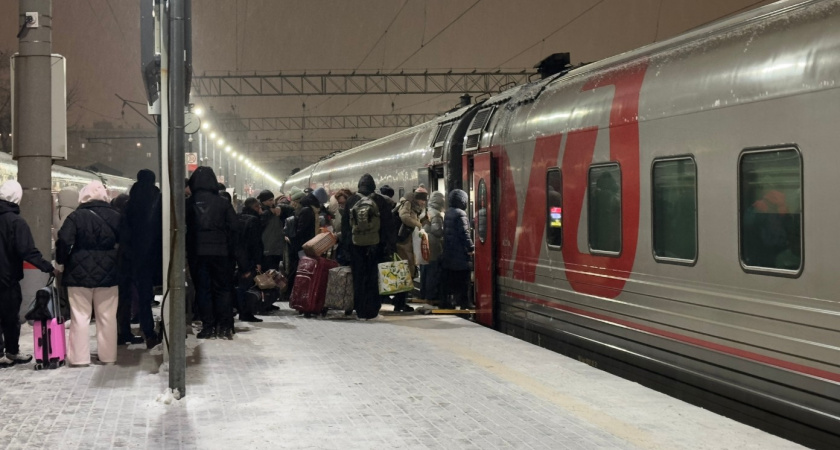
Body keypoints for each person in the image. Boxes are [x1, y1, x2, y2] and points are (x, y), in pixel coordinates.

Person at [56, 181, 121, 366]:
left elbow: (63, 241)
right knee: (107, 317)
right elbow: (126, 243)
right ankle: (108, 356)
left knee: (79, 316)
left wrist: (62, 261)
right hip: (109, 272)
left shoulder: (75, 217)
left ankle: (79, 358)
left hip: (78, 273)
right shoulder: (116, 216)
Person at [0, 180, 56, 368]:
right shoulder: (16, 221)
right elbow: (27, 250)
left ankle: (1, 354)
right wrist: (47, 266)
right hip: (7, 278)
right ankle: (11, 352)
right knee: (10, 317)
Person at [186, 166, 239, 340]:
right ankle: (224, 326)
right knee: (223, 289)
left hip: (197, 253)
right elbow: (234, 228)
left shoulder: (189, 203)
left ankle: (208, 327)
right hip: (221, 253)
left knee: (203, 290)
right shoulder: (223, 203)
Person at [341, 174, 394, 320]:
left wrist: (346, 247)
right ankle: (372, 310)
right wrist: (388, 245)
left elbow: (345, 226)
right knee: (373, 277)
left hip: (355, 246)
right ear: (373, 186)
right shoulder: (379, 200)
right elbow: (387, 225)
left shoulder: (351, 200)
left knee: (358, 277)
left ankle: (360, 310)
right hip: (375, 245)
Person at [122, 169, 162, 349]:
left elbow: (125, 230)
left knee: (143, 296)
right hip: (158, 253)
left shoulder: (131, 202)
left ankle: (148, 331)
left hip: (136, 256)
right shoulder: (159, 199)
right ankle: (166, 328)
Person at [111, 193, 142, 345]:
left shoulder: (111, 217)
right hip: (124, 265)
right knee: (124, 300)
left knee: (112, 302)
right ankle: (123, 332)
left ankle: (114, 334)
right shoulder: (126, 220)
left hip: (110, 266)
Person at [392, 185, 429, 312]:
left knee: (407, 272)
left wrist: (424, 220)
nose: (423, 202)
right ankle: (399, 303)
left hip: (408, 243)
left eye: (425, 200)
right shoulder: (407, 203)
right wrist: (419, 224)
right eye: (422, 200)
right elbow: (404, 217)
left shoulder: (416, 208)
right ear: (416, 198)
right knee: (405, 272)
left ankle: (399, 302)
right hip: (403, 243)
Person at [442, 189, 474, 310]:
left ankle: (450, 301)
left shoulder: (448, 212)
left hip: (449, 252)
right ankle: (465, 302)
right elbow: (464, 233)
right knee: (464, 279)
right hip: (460, 253)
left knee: (451, 279)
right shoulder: (461, 214)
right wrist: (471, 247)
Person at [237, 198, 264, 322]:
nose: (260, 210)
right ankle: (246, 313)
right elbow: (256, 243)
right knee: (248, 287)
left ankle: (240, 310)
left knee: (240, 286)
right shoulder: (254, 220)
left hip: (238, 257)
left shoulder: (239, 217)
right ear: (254, 207)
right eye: (258, 207)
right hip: (249, 259)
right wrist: (258, 261)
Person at [421, 191, 445, 305]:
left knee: (425, 272)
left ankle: (424, 294)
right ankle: (431, 296)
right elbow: (437, 231)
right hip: (434, 247)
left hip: (425, 244)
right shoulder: (436, 214)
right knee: (433, 272)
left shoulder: (426, 211)